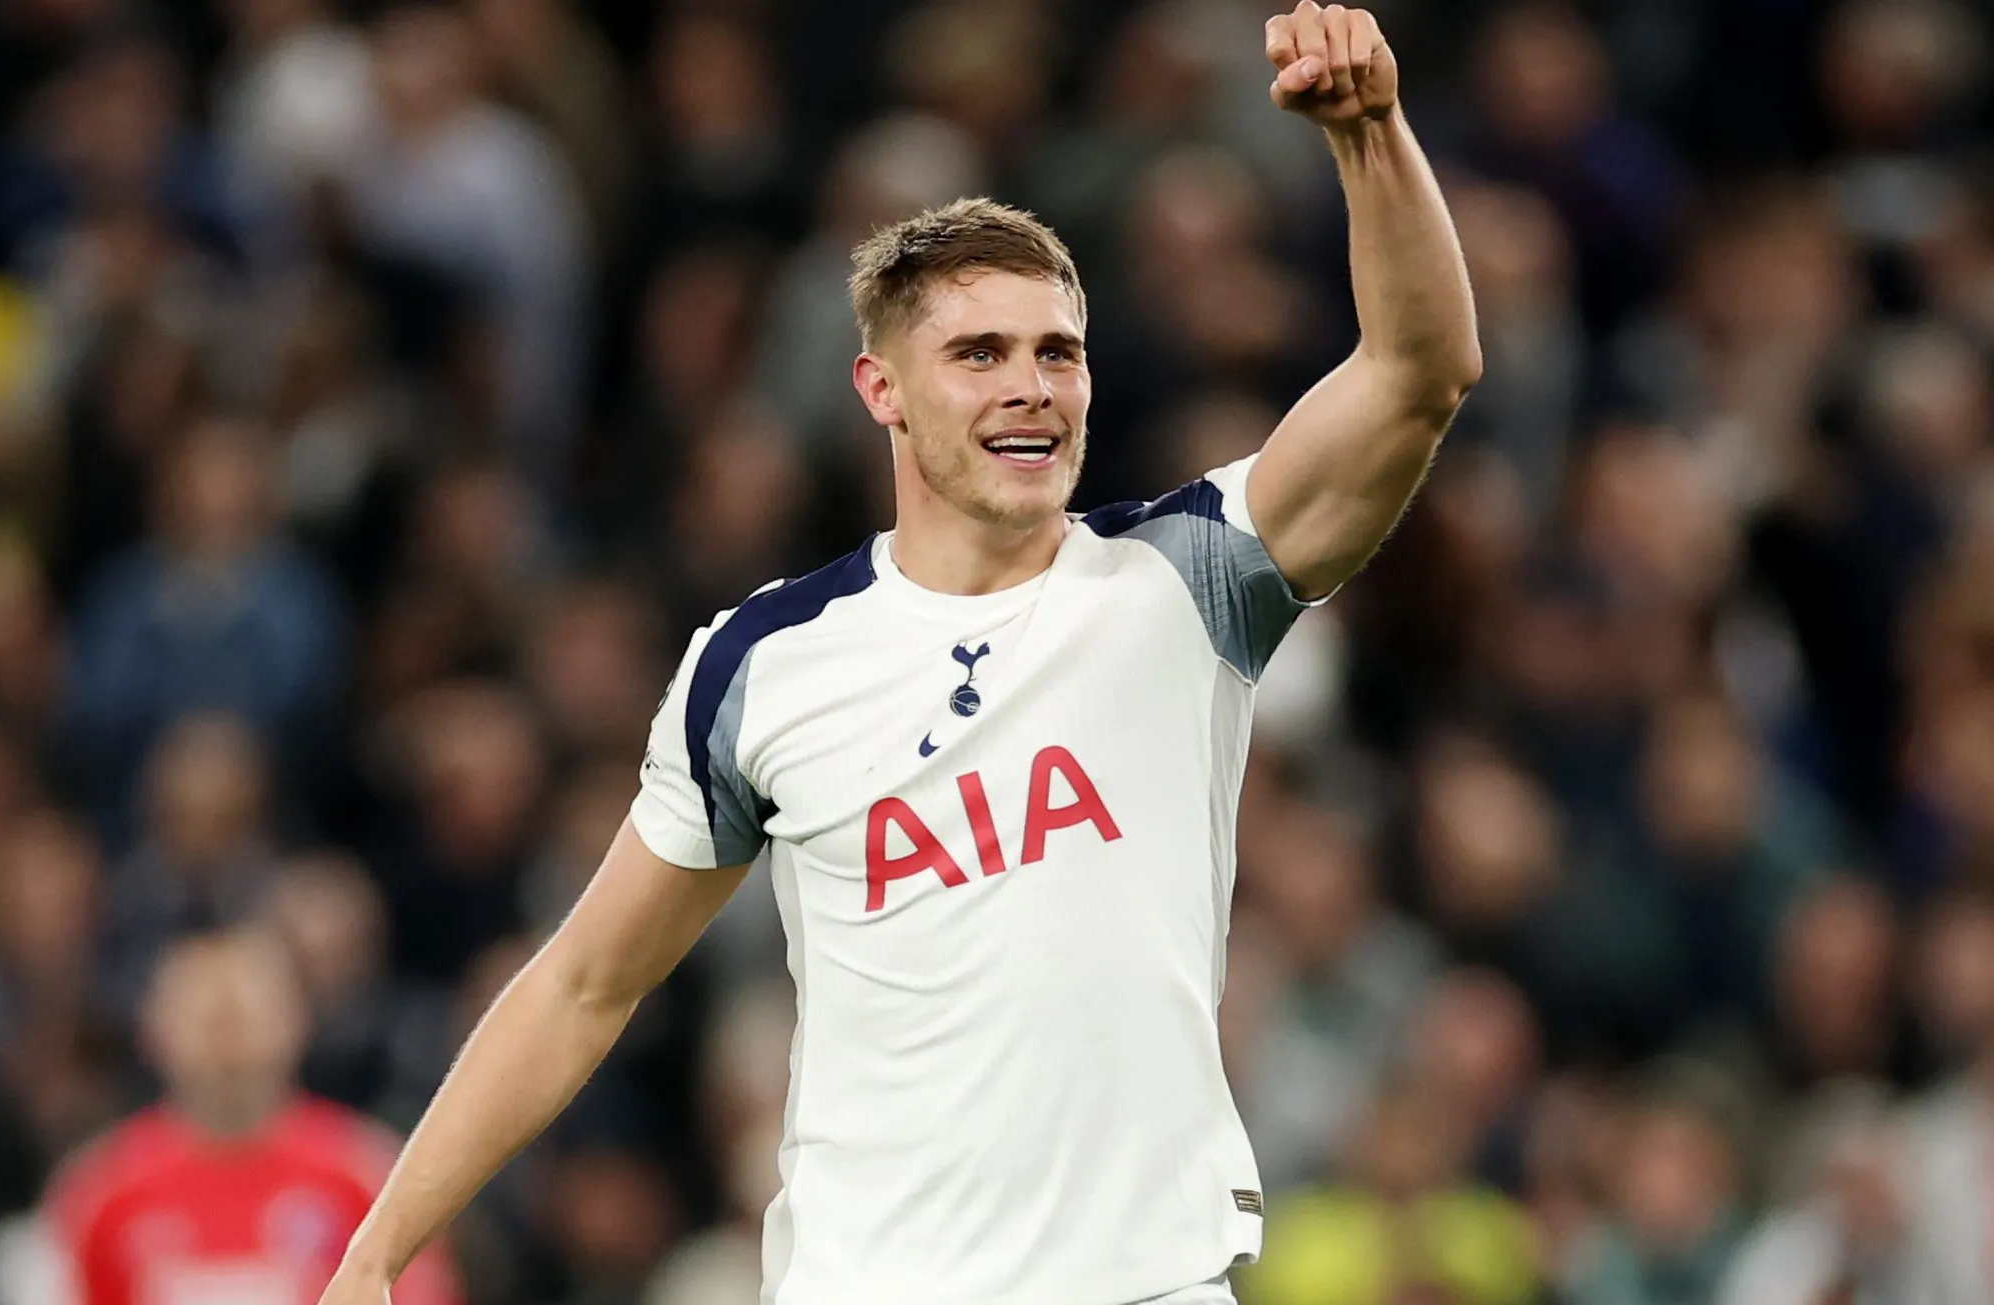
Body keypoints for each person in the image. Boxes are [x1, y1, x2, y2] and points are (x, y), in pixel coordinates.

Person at [320, 4, 1479, 1302]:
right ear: (881, 389)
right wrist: (379, 1248)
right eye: (978, 354)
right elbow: (584, 984)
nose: (1029, 386)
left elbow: (1420, 374)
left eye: (1056, 353)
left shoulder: (1186, 576)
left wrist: (1372, 138)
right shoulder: (762, 662)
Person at [47, 931, 460, 1305]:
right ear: (154, 1030)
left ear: (296, 1021)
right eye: (208, 1021)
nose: (228, 1042)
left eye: (244, 1016)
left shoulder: (368, 1176)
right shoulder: (102, 1191)